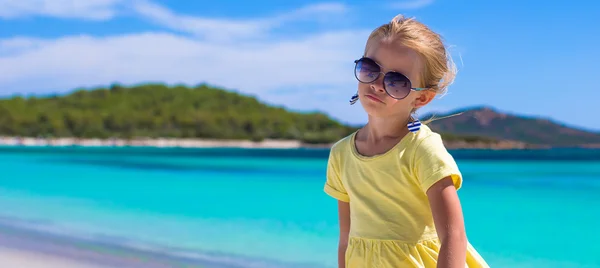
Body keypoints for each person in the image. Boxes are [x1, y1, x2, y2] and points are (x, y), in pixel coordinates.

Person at [323, 14, 490, 268]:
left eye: (397, 81)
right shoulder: (341, 154)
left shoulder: (421, 149)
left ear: (422, 98)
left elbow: (453, 236)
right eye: (371, 68)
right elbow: (346, 240)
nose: (378, 85)